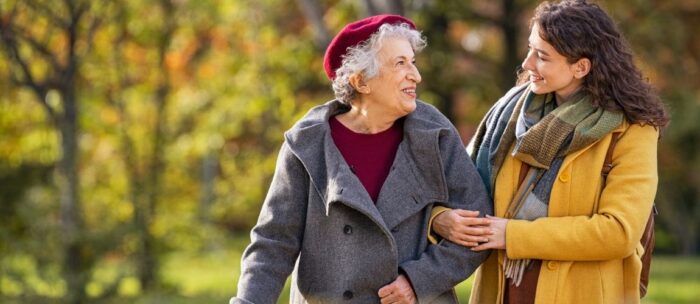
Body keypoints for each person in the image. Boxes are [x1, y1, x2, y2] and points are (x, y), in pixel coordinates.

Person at [231, 15, 492, 304]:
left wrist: (419, 280)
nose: (415, 76)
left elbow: (478, 229)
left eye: (413, 62)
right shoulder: (308, 144)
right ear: (361, 81)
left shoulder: (435, 134)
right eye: (400, 64)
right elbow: (273, 243)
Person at [430, 0, 669, 303]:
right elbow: (453, 186)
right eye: (530, 49)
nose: (527, 63)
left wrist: (513, 236)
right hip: (502, 291)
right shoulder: (509, 114)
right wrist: (440, 217)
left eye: (542, 56)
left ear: (581, 67)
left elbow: (619, 232)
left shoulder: (632, 130)